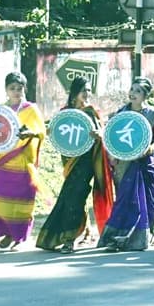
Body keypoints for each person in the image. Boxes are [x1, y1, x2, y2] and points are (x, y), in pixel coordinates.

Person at [36, 76, 113, 253]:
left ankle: (69, 239)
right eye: (83, 90)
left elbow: (101, 133)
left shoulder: (91, 112)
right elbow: (55, 132)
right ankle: (81, 232)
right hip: (71, 163)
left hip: (87, 162)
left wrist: (98, 135)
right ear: (74, 93)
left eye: (88, 90)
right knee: (72, 198)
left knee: (75, 197)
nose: (87, 93)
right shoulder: (65, 113)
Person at [0, 72, 46, 250]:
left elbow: (41, 131)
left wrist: (32, 133)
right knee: (2, 201)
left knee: (22, 201)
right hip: (3, 163)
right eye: (12, 88)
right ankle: (6, 233)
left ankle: (19, 235)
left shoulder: (30, 109)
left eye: (19, 88)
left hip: (22, 163)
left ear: (24, 89)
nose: (16, 92)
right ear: (6, 90)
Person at [99, 77, 154, 252]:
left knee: (147, 199)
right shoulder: (121, 113)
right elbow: (112, 137)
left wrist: (150, 147)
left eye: (138, 91)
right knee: (125, 199)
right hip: (125, 164)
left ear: (145, 95)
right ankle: (117, 237)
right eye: (132, 89)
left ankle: (144, 236)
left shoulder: (153, 114)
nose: (133, 93)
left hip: (145, 161)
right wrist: (112, 155)